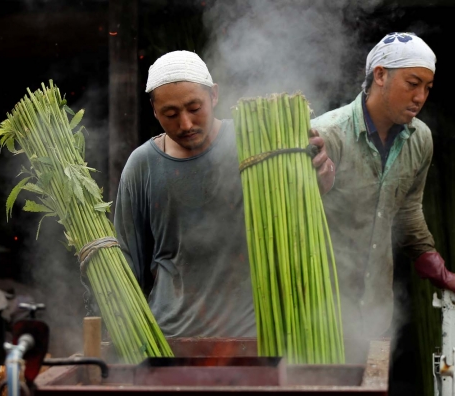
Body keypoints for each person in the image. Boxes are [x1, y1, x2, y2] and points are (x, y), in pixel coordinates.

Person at [113, 50, 334, 338]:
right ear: (155, 111)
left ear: (214, 96)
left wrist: (320, 177)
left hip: (257, 336)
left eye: (194, 108)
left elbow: (300, 216)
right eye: (170, 114)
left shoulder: (257, 145)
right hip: (172, 338)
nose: (186, 124)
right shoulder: (142, 165)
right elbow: (128, 262)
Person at [310, 32, 455, 358]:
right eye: (412, 83)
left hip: (376, 316)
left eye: (427, 87)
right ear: (380, 75)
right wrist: (312, 184)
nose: (421, 96)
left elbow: (407, 210)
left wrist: (438, 269)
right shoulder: (328, 134)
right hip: (315, 312)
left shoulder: (419, 139)